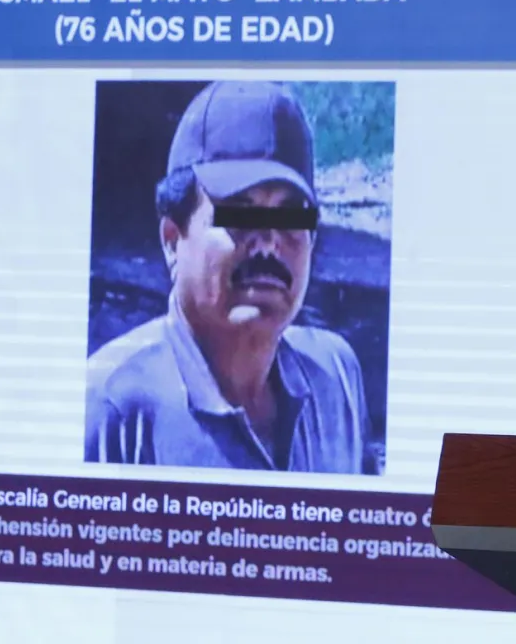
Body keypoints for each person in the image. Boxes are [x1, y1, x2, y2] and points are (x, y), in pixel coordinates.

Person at [84, 80, 380, 475]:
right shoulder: (111, 408)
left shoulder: (336, 378)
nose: (269, 243)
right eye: (239, 213)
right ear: (172, 240)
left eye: (291, 216)